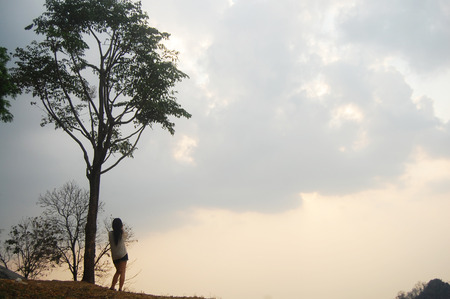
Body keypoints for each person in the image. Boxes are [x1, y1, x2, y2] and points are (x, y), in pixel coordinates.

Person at [109, 218, 128, 291]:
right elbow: (125, 237)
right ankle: (120, 288)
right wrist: (122, 228)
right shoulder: (122, 233)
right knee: (122, 271)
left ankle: (112, 286)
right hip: (123, 254)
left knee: (118, 271)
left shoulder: (110, 234)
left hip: (115, 256)